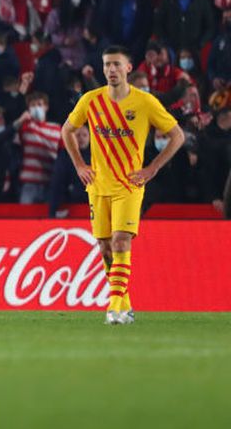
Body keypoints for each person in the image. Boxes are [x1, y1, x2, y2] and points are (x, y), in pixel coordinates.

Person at [62, 45, 185, 325]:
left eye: (117, 64)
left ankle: (114, 307)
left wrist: (152, 168)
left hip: (129, 186)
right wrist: (79, 164)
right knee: (105, 248)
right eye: (107, 64)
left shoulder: (145, 102)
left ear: (129, 68)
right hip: (98, 186)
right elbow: (67, 130)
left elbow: (177, 135)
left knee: (120, 240)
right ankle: (125, 304)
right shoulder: (91, 100)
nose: (111, 69)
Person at [13, 91, 62, 205]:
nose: (36, 108)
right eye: (33, 105)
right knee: (25, 215)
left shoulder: (56, 128)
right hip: (29, 183)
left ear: (46, 107)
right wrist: (21, 120)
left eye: (39, 104)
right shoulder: (24, 127)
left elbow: (59, 151)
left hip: (50, 182)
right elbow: (13, 132)